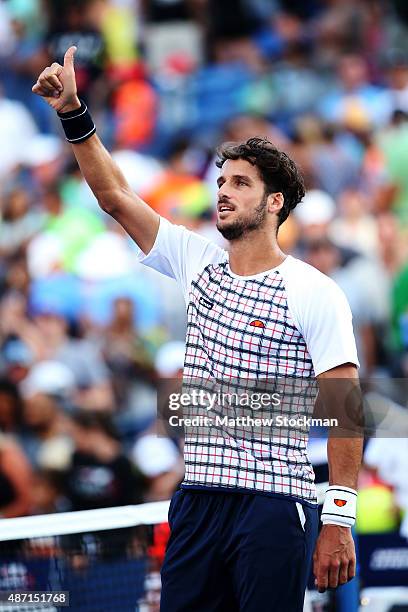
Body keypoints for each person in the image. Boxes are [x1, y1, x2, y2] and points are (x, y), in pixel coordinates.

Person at [32, 47, 363, 612]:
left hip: (273, 503)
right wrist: (73, 113)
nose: (223, 192)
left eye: (240, 183)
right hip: (197, 501)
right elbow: (114, 196)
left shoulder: (314, 290)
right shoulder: (196, 261)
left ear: (274, 202)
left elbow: (345, 405)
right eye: (221, 182)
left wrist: (338, 518)